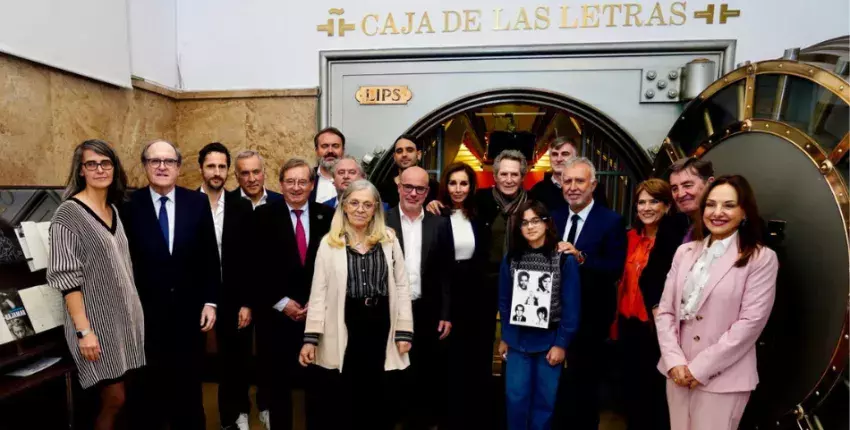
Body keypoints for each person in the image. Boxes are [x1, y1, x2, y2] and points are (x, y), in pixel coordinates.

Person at [656, 175, 778, 430]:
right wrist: (675, 361)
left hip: (723, 379)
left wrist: (698, 369)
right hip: (677, 374)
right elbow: (666, 311)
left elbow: (750, 324)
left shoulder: (761, 258)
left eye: (728, 205)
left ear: (744, 211)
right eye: (711, 204)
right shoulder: (685, 252)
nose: (717, 212)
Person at [298, 180, 413, 430]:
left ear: (375, 209)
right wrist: (311, 338)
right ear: (345, 206)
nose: (360, 209)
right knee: (345, 394)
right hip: (345, 322)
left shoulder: (389, 240)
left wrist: (404, 331)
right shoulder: (329, 243)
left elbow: (402, 287)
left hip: (381, 323)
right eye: (354, 203)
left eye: (367, 204)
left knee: (379, 393)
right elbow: (318, 292)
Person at [121, 139, 220, 430]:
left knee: (189, 394)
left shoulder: (196, 203)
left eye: (169, 161)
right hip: (145, 319)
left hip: (189, 319)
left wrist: (211, 301)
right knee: (148, 394)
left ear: (178, 167)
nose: (162, 167)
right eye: (155, 161)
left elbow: (209, 258)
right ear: (145, 166)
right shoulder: (128, 206)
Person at [47, 139, 145, 430]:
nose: (100, 169)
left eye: (106, 163)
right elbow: (67, 278)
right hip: (95, 326)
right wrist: (84, 330)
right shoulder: (68, 214)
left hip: (125, 322)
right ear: (81, 171)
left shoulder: (114, 210)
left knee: (123, 398)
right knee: (114, 398)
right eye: (92, 164)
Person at [253, 158, 334, 430]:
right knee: (278, 389)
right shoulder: (262, 217)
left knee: (318, 388)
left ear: (312, 185)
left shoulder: (329, 217)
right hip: (276, 318)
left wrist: (318, 303)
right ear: (280, 184)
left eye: (302, 181)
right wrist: (282, 302)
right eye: (290, 181)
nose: (296, 187)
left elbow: (336, 267)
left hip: (317, 317)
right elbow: (254, 268)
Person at [552, 156, 627, 430]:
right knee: (557, 386)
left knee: (585, 386)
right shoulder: (553, 217)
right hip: (555, 318)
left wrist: (580, 257)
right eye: (567, 180)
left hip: (591, 319)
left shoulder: (611, 221)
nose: (572, 186)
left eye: (579, 181)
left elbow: (615, 268)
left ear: (593, 184)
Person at [197, 142, 263, 430]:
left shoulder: (241, 207)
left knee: (235, 364)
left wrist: (248, 302)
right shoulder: (187, 203)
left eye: (222, 166)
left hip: (234, 298)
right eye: (211, 166)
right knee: (189, 363)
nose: (216, 172)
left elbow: (251, 259)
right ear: (201, 168)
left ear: (228, 172)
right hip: (194, 297)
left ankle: (232, 419)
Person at [498, 201, 581, 430]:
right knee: (515, 399)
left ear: (547, 223)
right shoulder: (512, 259)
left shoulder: (564, 259)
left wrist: (562, 344)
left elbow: (571, 307)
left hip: (549, 342)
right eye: (524, 223)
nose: (530, 227)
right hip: (517, 341)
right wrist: (505, 336)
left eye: (536, 220)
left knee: (544, 403)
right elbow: (504, 302)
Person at [385, 166, 454, 430]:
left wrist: (446, 313)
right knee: (393, 371)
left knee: (425, 372)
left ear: (427, 192)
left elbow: (447, 273)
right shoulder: (382, 221)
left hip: (427, 309)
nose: (413, 193)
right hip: (391, 310)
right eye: (408, 187)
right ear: (399, 187)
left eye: (420, 189)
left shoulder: (440, 224)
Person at [434, 162, 494, 430]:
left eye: (464, 183)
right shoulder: (436, 215)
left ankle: (475, 417)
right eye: (453, 183)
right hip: (447, 295)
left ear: (471, 187)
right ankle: (449, 417)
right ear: (445, 186)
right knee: (449, 359)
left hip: (477, 296)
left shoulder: (479, 215)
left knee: (476, 357)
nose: (458, 189)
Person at [612, 178, 675, 430]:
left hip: (655, 330)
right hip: (627, 325)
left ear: (667, 207)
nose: (646, 207)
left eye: (654, 201)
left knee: (655, 395)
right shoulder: (628, 238)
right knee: (630, 393)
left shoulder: (674, 244)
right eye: (642, 202)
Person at [528, 136, 607, 212]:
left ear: (575, 157)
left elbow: (603, 220)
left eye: (565, 154)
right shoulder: (537, 191)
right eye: (555, 154)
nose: (559, 159)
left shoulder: (593, 189)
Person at [378, 135, 439, 208]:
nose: (404, 154)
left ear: (418, 154)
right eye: (399, 151)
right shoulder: (383, 189)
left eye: (409, 150)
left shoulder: (434, 187)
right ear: (394, 157)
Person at [323, 156, 388, 211]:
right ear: (333, 181)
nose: (346, 176)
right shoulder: (323, 207)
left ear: (363, 178)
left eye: (352, 172)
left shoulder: (380, 208)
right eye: (341, 172)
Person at [311, 127, 346, 203]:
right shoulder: (307, 176)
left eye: (335, 146)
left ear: (343, 150)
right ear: (316, 151)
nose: (330, 151)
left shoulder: (354, 178)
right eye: (324, 146)